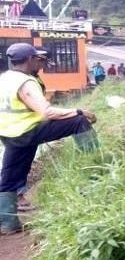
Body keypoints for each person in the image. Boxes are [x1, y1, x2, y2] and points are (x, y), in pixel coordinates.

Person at [0, 43, 99, 234]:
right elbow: (46, 112)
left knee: (9, 177)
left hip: (9, 133)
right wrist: (78, 110)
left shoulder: (5, 78)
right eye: (38, 59)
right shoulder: (25, 82)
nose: (40, 62)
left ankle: (7, 223)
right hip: (28, 129)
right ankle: (96, 166)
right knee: (78, 121)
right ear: (30, 59)